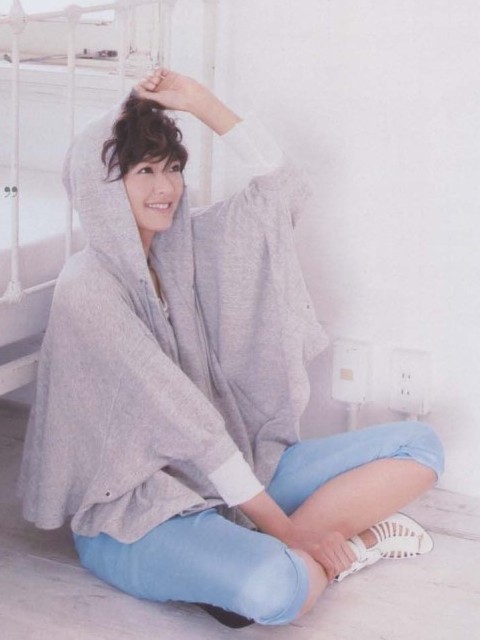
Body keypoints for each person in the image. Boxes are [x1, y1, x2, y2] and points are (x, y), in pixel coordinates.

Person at [18, 68, 444, 628]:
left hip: (228, 477)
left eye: (172, 168)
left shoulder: (183, 248)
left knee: (419, 446)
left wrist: (200, 102)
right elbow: (190, 423)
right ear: (103, 185)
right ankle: (339, 546)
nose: (165, 188)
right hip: (135, 516)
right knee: (277, 589)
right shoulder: (87, 288)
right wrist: (287, 531)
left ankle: (299, 548)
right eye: (144, 171)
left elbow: (283, 189)